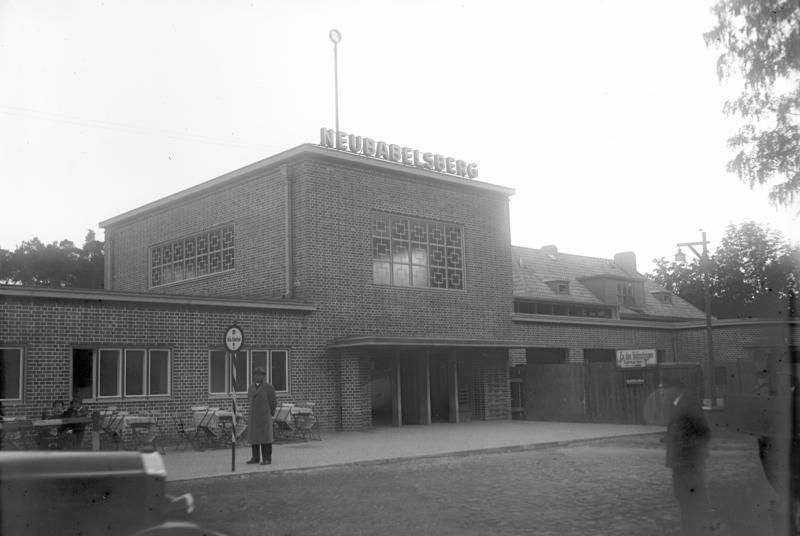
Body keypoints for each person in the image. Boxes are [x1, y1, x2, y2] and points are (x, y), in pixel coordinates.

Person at [664, 380, 714, 535]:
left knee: (692, 498)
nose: (665, 392)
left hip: (688, 462)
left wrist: (689, 448)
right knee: (683, 498)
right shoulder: (678, 404)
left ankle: (698, 530)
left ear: (677, 388)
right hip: (680, 462)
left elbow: (704, 431)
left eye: (668, 388)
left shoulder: (688, 404)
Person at [247, 367, 277, 465]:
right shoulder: (251, 387)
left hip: (264, 416)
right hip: (254, 417)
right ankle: (255, 457)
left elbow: (273, 402)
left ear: (264, 376)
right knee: (254, 438)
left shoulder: (269, 387)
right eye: (256, 374)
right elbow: (250, 400)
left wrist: (271, 413)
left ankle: (267, 459)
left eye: (260, 374)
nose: (258, 376)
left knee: (265, 439)